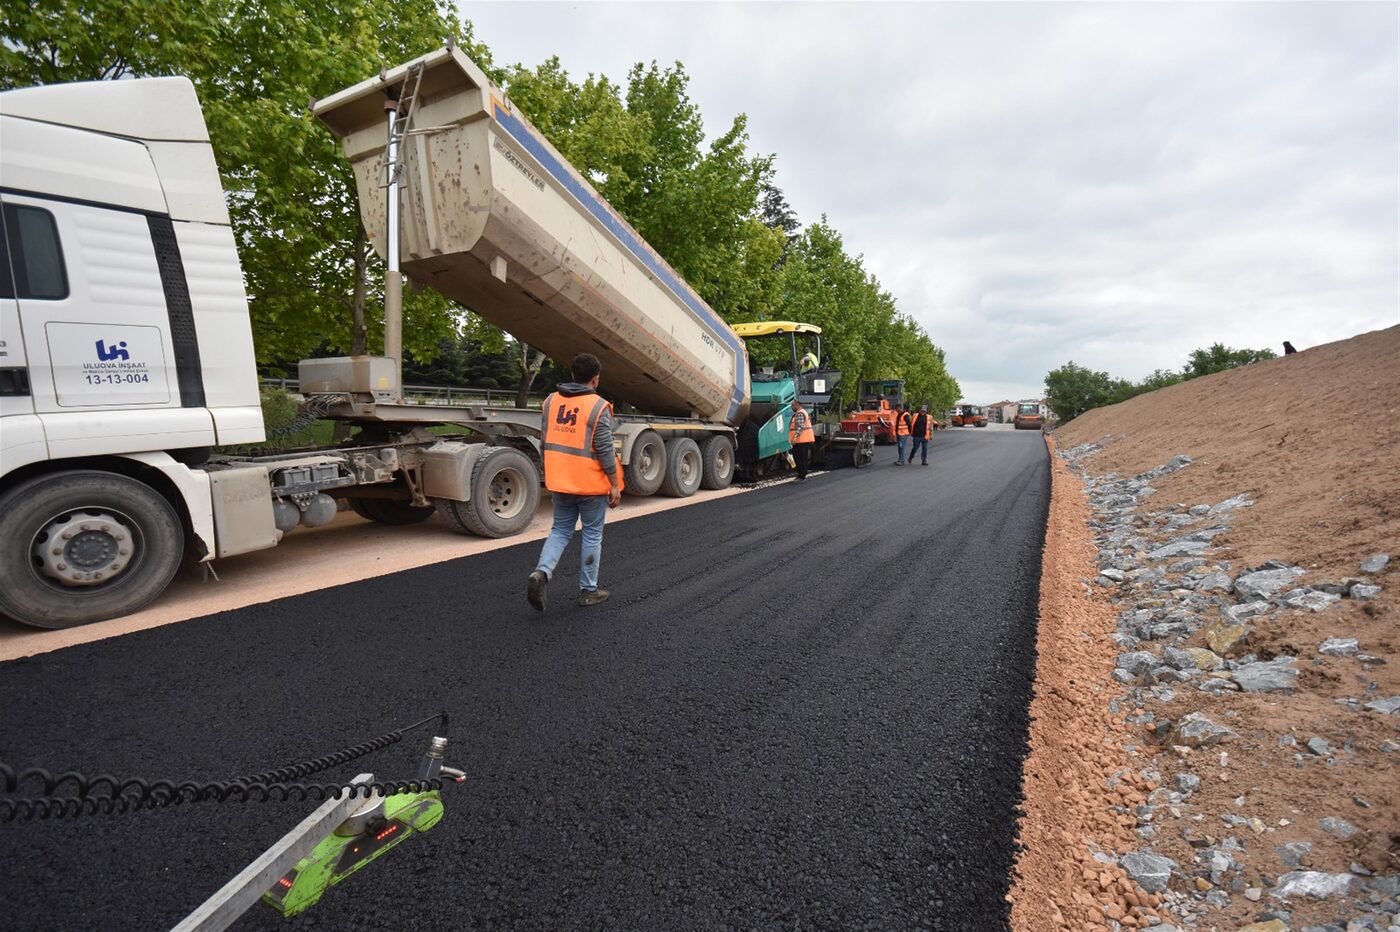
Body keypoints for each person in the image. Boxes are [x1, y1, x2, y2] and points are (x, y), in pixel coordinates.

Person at [527, 353, 623, 611]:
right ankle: (589, 590)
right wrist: (614, 484)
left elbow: (545, 440)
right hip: (589, 483)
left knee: (560, 530)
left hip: (560, 480)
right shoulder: (598, 406)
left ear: (572, 375)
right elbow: (604, 449)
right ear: (596, 379)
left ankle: (542, 572)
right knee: (592, 533)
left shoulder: (550, 402)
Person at [788, 396, 815, 480]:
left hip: (800, 440)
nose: (792, 407)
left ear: (797, 405)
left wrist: (795, 437)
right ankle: (802, 474)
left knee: (799, 458)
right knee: (802, 457)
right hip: (803, 440)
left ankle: (801, 475)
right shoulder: (803, 412)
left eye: (792, 405)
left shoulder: (799, 413)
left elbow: (800, 427)